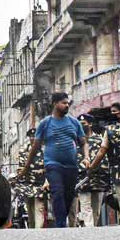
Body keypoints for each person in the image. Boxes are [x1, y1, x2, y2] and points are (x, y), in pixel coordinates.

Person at [20, 92, 88, 229]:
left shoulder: (74, 122)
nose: (67, 105)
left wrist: (87, 157)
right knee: (57, 192)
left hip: (71, 165)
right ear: (55, 104)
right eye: (63, 103)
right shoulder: (45, 123)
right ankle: (61, 225)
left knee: (69, 195)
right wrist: (26, 167)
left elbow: (83, 143)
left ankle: (61, 219)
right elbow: (35, 147)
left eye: (68, 103)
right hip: (52, 164)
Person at [75, 113, 109, 227]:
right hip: (82, 178)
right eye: (79, 124)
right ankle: (89, 228)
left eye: (83, 124)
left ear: (90, 124)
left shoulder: (100, 140)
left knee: (97, 208)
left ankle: (93, 230)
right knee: (85, 206)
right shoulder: (75, 141)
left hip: (98, 178)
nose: (81, 126)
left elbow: (104, 158)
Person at [15, 131, 48, 229]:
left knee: (39, 209)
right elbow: (21, 167)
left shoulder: (45, 150)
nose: (33, 138)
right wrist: (18, 177)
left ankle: (38, 232)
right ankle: (32, 230)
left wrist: (47, 181)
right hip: (27, 184)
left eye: (35, 136)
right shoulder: (24, 150)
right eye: (31, 136)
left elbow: (48, 167)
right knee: (29, 210)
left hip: (40, 184)